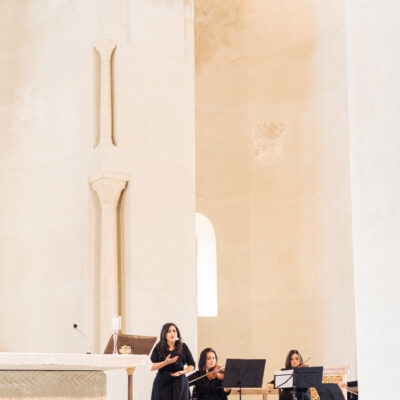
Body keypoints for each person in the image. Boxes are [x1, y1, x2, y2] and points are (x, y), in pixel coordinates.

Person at [151, 323, 196, 400]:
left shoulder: (183, 346)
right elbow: (151, 366)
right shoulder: (158, 347)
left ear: (177, 334)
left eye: (174, 331)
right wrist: (165, 362)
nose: (172, 333)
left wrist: (182, 372)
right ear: (164, 334)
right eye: (169, 331)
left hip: (179, 381)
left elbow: (192, 365)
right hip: (162, 382)